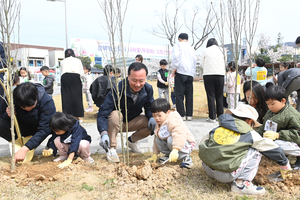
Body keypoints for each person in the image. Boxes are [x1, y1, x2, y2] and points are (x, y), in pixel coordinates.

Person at [199, 104, 291, 195]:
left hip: (207, 167)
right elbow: (272, 148)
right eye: (253, 124)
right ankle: (241, 185)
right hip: (225, 175)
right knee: (256, 150)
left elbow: (202, 143)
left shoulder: (218, 128)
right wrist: (285, 164)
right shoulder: (249, 133)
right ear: (249, 121)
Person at [97, 62, 156, 162]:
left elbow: (149, 107)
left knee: (153, 122)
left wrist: (152, 117)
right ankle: (112, 148)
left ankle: (131, 141)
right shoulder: (118, 89)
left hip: (133, 121)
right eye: (134, 80)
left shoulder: (148, 89)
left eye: (141, 81)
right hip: (115, 123)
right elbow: (103, 112)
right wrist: (103, 133)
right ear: (128, 76)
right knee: (116, 114)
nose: (138, 84)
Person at [0, 82, 56, 162]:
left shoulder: (47, 101)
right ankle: (20, 144)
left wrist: (25, 148)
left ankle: (51, 145)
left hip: (37, 128)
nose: (27, 108)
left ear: (36, 98)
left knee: (58, 122)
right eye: (23, 107)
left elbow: (45, 129)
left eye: (31, 105)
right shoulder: (11, 99)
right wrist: (7, 115)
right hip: (22, 127)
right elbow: (1, 114)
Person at [257, 85, 300, 169]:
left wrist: (278, 135)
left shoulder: (291, 115)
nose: (270, 106)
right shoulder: (271, 112)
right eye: (267, 104)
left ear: (283, 101)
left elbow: (297, 133)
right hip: (279, 140)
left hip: (291, 142)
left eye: (272, 103)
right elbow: (264, 126)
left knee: (276, 144)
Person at [147, 98, 195, 168]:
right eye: (154, 116)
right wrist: (155, 154)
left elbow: (179, 134)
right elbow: (156, 139)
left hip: (186, 144)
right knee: (158, 139)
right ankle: (169, 155)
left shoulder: (173, 120)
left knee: (170, 139)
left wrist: (176, 149)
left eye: (159, 115)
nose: (157, 118)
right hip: (174, 143)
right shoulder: (159, 123)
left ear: (168, 112)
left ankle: (186, 158)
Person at [172, 33, 196, 121]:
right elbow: (194, 60)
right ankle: (189, 115)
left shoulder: (177, 45)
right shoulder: (191, 47)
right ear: (187, 39)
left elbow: (176, 56)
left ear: (179, 38)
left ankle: (181, 114)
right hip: (190, 73)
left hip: (181, 72)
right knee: (189, 95)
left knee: (179, 94)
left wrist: (174, 68)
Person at [201, 38, 226, 123]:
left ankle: (212, 117)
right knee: (219, 95)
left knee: (210, 95)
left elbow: (202, 63)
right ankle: (220, 116)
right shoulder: (222, 50)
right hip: (220, 74)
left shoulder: (205, 50)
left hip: (208, 75)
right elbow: (225, 62)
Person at [60, 49, 84, 119]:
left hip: (65, 77)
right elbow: (81, 73)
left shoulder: (62, 61)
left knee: (66, 97)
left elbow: (61, 71)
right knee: (77, 98)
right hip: (76, 77)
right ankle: (77, 117)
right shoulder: (78, 60)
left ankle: (67, 116)